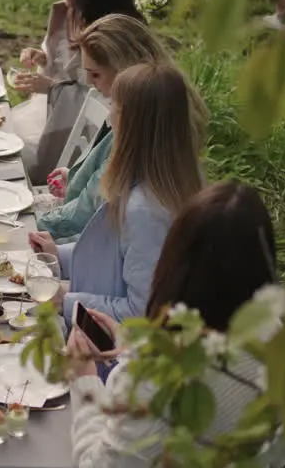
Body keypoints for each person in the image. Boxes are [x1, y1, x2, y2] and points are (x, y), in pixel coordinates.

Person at [64, 181, 277, 468]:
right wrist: (129, 345)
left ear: (176, 263)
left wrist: (86, 381)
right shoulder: (273, 332)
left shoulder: (156, 376)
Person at [28, 62, 204, 328]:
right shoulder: (168, 178)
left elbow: (141, 313)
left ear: (134, 126)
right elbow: (117, 255)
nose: (110, 119)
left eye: (115, 110)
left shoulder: (147, 209)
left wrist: (65, 300)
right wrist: (58, 256)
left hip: (118, 350)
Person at [35, 15, 208, 244]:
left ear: (124, 70)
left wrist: (34, 221)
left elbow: (92, 206)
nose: (89, 82)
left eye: (95, 74)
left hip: (102, 241)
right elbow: (101, 172)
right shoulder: (153, 110)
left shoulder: (140, 129)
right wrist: (77, 176)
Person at [10, 0, 144, 183]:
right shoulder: (74, 14)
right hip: (55, 111)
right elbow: (63, 62)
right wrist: (43, 58)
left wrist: (52, 88)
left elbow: (105, 96)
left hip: (91, 130)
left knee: (12, 154)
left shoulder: (114, 36)